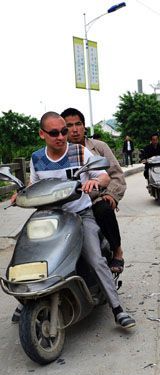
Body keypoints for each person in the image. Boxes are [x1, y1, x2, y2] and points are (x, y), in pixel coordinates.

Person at [11, 112, 136, 330]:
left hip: (80, 214)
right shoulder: (37, 158)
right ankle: (27, 297)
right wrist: (20, 194)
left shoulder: (79, 151)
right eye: (54, 133)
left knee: (95, 258)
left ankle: (117, 308)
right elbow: (34, 185)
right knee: (26, 248)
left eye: (63, 131)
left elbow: (105, 175)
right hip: (48, 216)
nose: (60, 136)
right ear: (42, 134)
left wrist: (95, 181)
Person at [61, 108, 126, 274]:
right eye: (69, 126)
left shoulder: (99, 147)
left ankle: (117, 251)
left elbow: (116, 174)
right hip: (67, 203)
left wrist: (111, 195)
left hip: (95, 198)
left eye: (78, 124)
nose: (74, 129)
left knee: (104, 209)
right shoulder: (59, 152)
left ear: (84, 127)